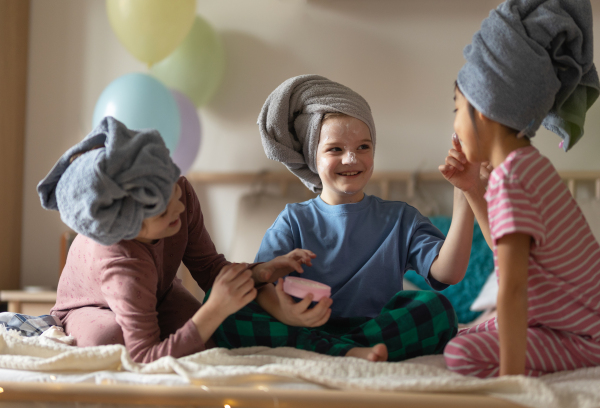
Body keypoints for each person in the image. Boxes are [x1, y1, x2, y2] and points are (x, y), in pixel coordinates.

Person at [209, 74, 479, 362]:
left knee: (436, 308)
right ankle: (348, 351)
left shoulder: (401, 219)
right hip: (305, 324)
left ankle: (334, 349)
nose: (351, 159)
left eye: (363, 147)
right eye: (335, 149)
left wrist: (465, 195)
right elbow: (261, 284)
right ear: (314, 157)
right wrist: (285, 312)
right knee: (222, 307)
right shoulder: (292, 220)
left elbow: (448, 273)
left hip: (377, 328)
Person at [38, 116, 315, 363]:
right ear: (129, 228)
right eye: (162, 213)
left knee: (205, 347)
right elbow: (144, 357)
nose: (179, 208)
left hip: (160, 294)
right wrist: (214, 311)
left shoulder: (181, 192)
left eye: (175, 193)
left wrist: (262, 271)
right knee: (112, 343)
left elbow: (209, 270)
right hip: (92, 307)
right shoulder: (121, 261)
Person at [440, 0, 600, 377]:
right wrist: (471, 189)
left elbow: (512, 289)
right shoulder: (527, 167)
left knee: (460, 354)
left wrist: (512, 381)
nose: (455, 126)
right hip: (574, 323)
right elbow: (507, 255)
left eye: (456, 110)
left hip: (583, 335)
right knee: (467, 331)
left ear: (482, 108)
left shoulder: (512, 178)